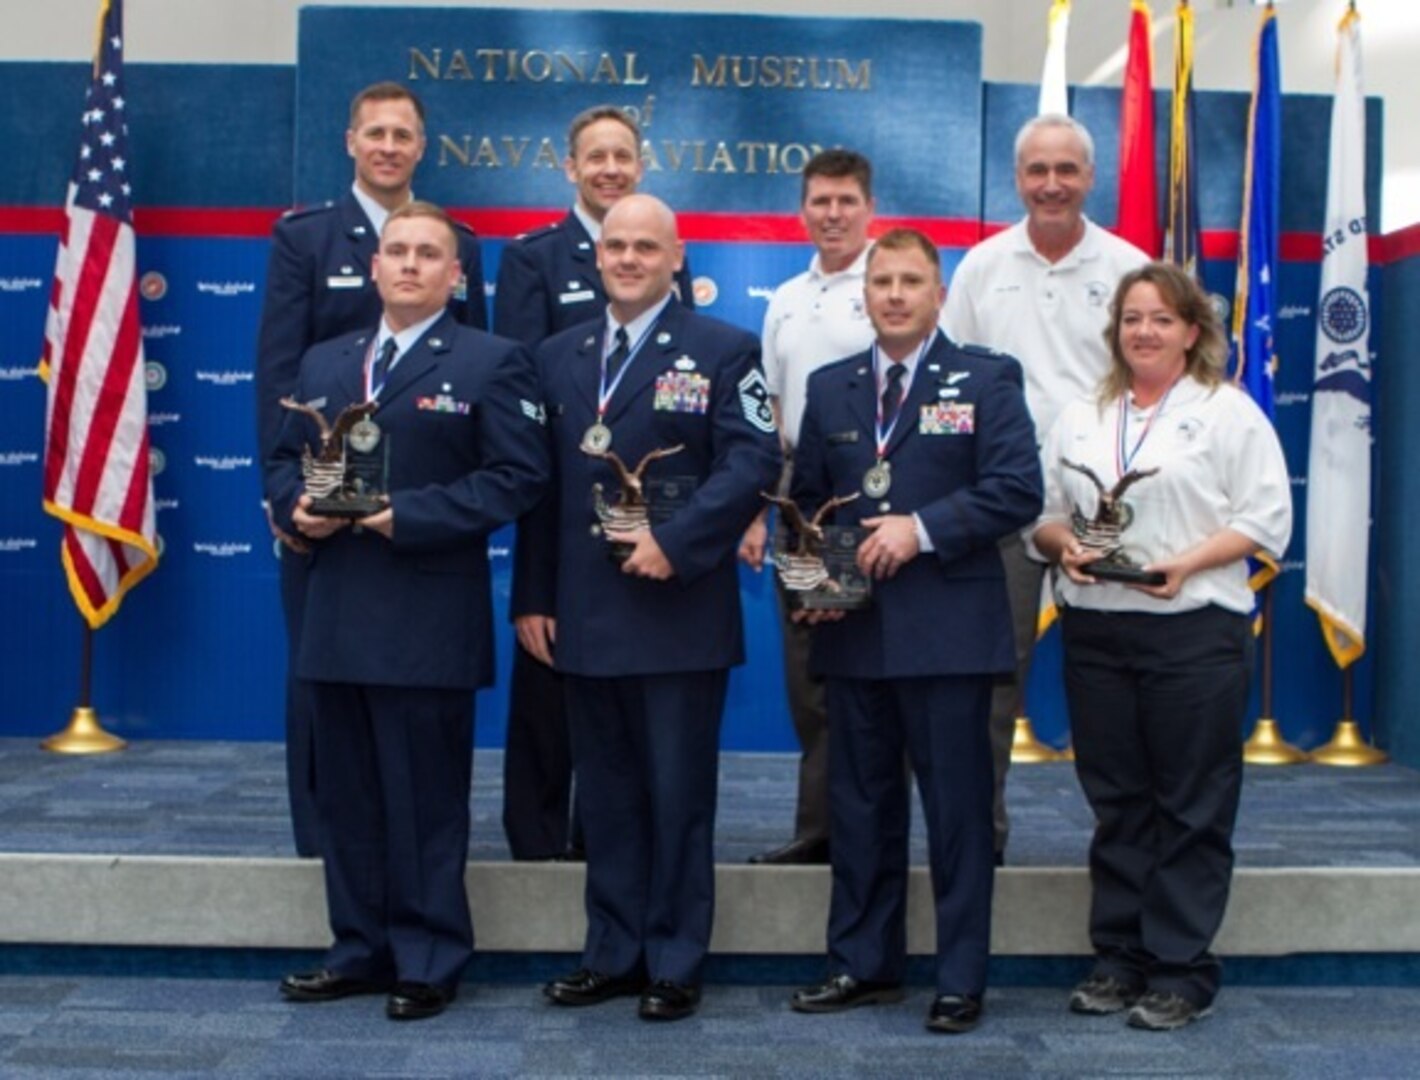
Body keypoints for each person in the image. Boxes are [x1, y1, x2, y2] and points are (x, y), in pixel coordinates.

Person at [266, 202, 547, 1021]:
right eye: (398, 251)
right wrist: (297, 512)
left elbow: (517, 478)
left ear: (457, 276)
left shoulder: (494, 361)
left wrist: (407, 515)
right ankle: (358, 948)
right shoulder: (325, 361)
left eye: (430, 254)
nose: (411, 265)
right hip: (334, 612)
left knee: (424, 799)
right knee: (345, 797)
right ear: (376, 266)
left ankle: (428, 957)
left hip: (426, 618)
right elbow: (284, 462)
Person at [512, 194, 780, 1022]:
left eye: (644, 247)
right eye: (615, 245)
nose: (627, 258)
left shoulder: (726, 349)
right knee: (610, 795)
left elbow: (752, 459)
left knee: (676, 796)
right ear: (598, 258)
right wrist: (533, 597)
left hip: (680, 611)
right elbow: (542, 491)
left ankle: (673, 960)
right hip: (584, 614)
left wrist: (682, 538)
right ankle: (612, 952)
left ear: (675, 257)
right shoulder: (558, 356)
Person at [788, 229, 1042, 1034]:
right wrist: (822, 582)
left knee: (958, 815)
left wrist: (921, 529)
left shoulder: (987, 378)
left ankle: (960, 977)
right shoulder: (829, 387)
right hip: (856, 634)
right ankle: (862, 964)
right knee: (859, 808)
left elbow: (1016, 491)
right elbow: (813, 502)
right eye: (882, 281)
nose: (895, 294)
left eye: (911, 281)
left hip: (950, 633)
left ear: (939, 294)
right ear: (863, 294)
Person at [1027, 262, 1291, 1031]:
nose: (1144, 331)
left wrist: (1191, 561)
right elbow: (1043, 514)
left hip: (1194, 631)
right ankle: (1118, 958)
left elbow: (1265, 520)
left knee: (1191, 803)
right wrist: (1064, 548)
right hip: (1097, 629)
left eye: (1161, 319)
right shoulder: (1082, 413)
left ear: (1193, 332)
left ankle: (1181, 969)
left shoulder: (1228, 414)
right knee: (1118, 803)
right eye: (1132, 318)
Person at [255, 81, 487, 857]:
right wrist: (283, 498)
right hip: (322, 514)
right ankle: (326, 847)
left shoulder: (461, 245)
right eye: (375, 132)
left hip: (419, 508)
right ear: (350, 141)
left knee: (417, 700)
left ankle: (409, 853)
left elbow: (474, 374)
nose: (389, 145)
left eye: (404, 134)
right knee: (321, 682)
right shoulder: (306, 240)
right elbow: (279, 376)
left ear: (423, 147)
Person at [943, 113, 1148, 864]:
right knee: (990, 689)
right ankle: (978, 851)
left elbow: (1148, 380)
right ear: (1018, 177)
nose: (1052, 184)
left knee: (1115, 688)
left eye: (1067, 169)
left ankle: (1125, 858)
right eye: (1038, 170)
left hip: (1103, 508)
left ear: (1091, 178)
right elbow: (953, 384)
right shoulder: (979, 267)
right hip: (1001, 506)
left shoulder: (1131, 266)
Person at [496, 104, 694, 863]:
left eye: (622, 155)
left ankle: (606, 844)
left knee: (628, 713)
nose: (609, 167)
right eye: (595, 157)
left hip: (646, 511)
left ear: (641, 165)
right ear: (569, 167)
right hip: (561, 508)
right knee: (547, 690)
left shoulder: (671, 249)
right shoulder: (534, 258)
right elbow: (518, 395)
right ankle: (538, 844)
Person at [740, 148, 880, 867]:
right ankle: (819, 832)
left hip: (871, 493)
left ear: (868, 208)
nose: (832, 214)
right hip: (800, 498)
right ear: (803, 210)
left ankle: (867, 835)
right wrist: (755, 513)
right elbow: (765, 414)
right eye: (820, 202)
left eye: (845, 201)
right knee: (810, 676)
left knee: (871, 678)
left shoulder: (887, 286)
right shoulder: (788, 299)